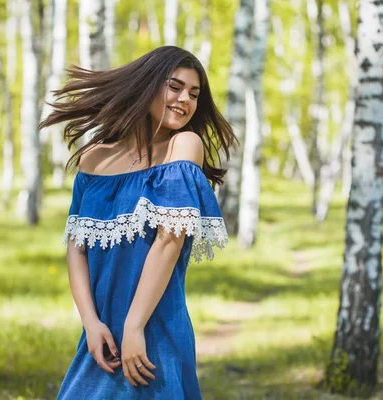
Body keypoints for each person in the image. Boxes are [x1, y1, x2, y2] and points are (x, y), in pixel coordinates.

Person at [40, 46, 237, 399]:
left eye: (194, 93)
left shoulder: (184, 145)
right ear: (147, 85)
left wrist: (134, 326)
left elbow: (169, 241)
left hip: (155, 329)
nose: (184, 100)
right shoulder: (94, 157)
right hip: (101, 336)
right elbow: (76, 249)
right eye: (174, 87)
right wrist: (90, 322)